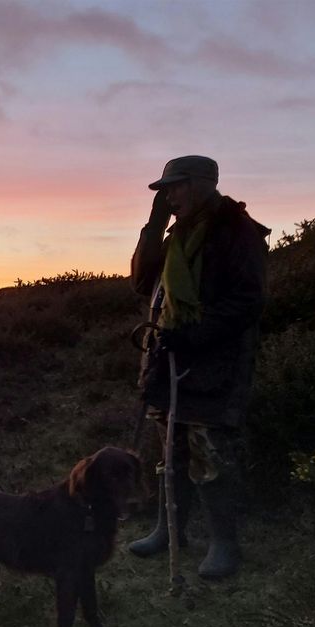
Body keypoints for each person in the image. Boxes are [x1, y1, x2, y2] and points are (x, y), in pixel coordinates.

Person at [127, 155, 269, 580]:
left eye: (177, 186)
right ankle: (168, 530)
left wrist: (197, 334)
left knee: (210, 457)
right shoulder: (175, 236)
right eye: (165, 189)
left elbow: (249, 300)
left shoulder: (238, 232)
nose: (169, 195)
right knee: (169, 451)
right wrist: (153, 225)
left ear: (205, 184)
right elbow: (140, 281)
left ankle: (223, 543)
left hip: (214, 363)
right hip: (167, 358)